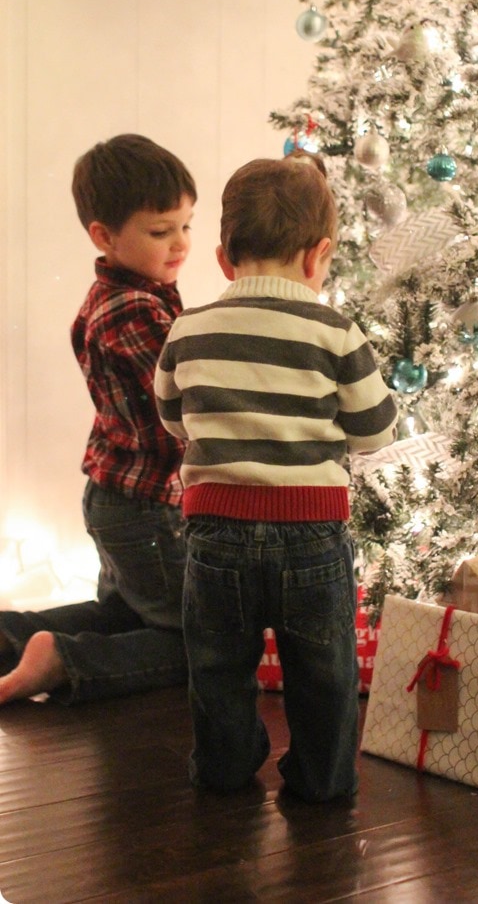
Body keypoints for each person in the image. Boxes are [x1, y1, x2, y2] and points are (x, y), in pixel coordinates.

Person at [154, 156, 397, 802]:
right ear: (319, 256)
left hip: (215, 538)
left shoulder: (188, 330)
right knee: (323, 672)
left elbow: (173, 417)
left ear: (225, 257)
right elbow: (376, 431)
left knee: (216, 667)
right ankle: (323, 779)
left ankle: (226, 768)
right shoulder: (336, 333)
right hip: (312, 537)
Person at [0, 133, 197, 705]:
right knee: (199, 640)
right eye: (161, 231)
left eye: (186, 224)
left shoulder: (126, 293)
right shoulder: (133, 310)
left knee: (121, 612)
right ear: (104, 237)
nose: (180, 242)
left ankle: (12, 636)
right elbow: (182, 407)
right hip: (147, 508)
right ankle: (66, 661)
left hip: (120, 499)